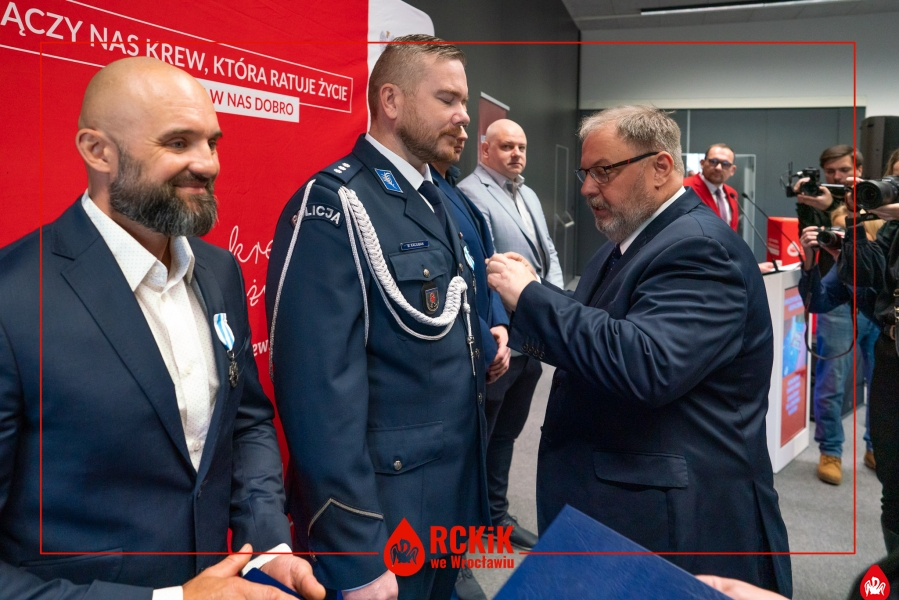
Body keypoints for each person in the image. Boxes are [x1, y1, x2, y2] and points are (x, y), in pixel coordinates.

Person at [0, 57, 324, 600]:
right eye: (178, 143)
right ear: (97, 151)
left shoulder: (219, 271)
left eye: (212, 142)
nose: (208, 164)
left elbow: (246, 422)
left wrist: (267, 544)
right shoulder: (12, 299)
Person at [485, 105, 792, 595]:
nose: (588, 188)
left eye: (604, 171)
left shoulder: (700, 249)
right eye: (586, 173)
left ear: (661, 167)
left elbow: (646, 362)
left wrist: (532, 297)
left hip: (676, 521)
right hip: (625, 501)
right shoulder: (632, 240)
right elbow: (606, 322)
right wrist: (529, 306)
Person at [265, 35, 488, 600]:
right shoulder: (334, 203)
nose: (464, 115)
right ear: (391, 101)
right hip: (386, 517)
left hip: (447, 498)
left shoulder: (435, 197)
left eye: (464, 101)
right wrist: (355, 553)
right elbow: (317, 396)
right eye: (447, 99)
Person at [457, 119, 561, 551]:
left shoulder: (529, 193)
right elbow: (481, 267)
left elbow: (547, 250)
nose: (517, 153)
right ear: (485, 151)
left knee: (507, 434)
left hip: (532, 333)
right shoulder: (469, 193)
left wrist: (554, 305)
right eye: (506, 146)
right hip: (500, 334)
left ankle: (495, 517)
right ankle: (466, 527)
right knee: (481, 436)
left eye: (521, 146)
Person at [430, 126, 509, 600]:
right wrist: (485, 335)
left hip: (481, 347)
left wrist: (499, 322)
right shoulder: (424, 194)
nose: (461, 124)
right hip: (453, 358)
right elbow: (445, 283)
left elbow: (483, 264)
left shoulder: (456, 193)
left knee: (475, 458)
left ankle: (458, 555)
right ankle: (452, 564)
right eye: (447, 103)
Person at [792, 145, 865, 485]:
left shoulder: (874, 199)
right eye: (831, 171)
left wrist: (834, 207)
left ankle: (875, 446)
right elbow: (813, 241)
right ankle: (831, 450)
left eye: (844, 170)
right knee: (831, 380)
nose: (837, 177)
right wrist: (809, 205)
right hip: (835, 294)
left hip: (877, 303)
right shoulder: (813, 197)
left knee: (883, 384)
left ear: (859, 169)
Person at [836, 169, 899, 554]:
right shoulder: (892, 228)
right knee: (892, 480)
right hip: (890, 356)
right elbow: (866, 275)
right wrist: (855, 222)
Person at [682, 143, 739, 231]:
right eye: (713, 161)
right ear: (702, 163)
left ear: (732, 170)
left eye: (725, 164)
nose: (718, 168)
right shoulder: (684, 187)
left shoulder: (732, 193)